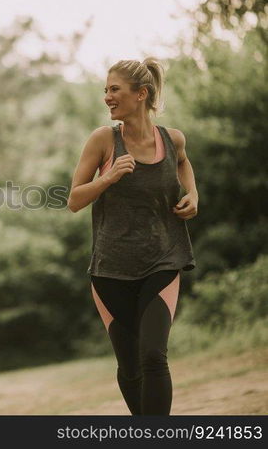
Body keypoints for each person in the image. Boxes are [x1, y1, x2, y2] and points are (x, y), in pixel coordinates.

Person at [67, 58, 197, 415]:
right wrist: (107, 177)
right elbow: (74, 200)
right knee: (130, 366)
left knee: (153, 354)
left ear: (141, 94)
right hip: (111, 270)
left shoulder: (172, 140)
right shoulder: (104, 140)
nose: (107, 97)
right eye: (106, 90)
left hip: (163, 260)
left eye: (114, 90)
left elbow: (183, 162)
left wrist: (193, 194)